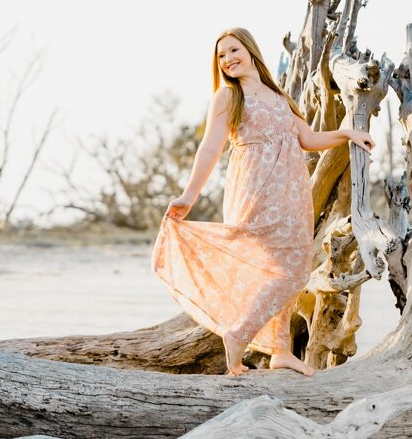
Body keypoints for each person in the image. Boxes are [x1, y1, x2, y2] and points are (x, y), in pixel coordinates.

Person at [154, 27, 374, 377]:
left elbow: (307, 139)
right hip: (257, 187)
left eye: (233, 50)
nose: (227, 59)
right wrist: (188, 196)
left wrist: (347, 133)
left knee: (291, 265)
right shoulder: (228, 96)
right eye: (221, 56)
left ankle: (281, 350)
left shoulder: (278, 95)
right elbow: (210, 148)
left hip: (292, 191)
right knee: (289, 271)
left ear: (251, 50)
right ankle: (239, 332)